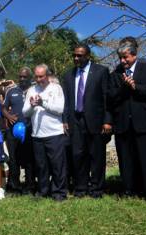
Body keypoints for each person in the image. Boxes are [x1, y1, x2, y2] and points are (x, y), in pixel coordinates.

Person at [108, 40, 146, 202]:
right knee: (126, 161)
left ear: (134, 55)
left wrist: (136, 87)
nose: (122, 61)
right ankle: (129, 191)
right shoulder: (116, 74)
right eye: (120, 58)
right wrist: (123, 88)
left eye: (125, 57)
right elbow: (110, 98)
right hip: (124, 124)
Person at [62, 43, 112, 198]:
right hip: (75, 120)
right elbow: (66, 100)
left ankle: (97, 189)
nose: (76, 58)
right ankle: (81, 188)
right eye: (74, 55)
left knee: (96, 156)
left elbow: (107, 97)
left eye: (80, 55)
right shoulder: (68, 75)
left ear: (88, 56)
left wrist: (107, 120)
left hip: (96, 121)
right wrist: (65, 120)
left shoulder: (101, 71)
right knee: (78, 155)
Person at [23, 64, 68, 201]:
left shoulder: (56, 88)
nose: (38, 79)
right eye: (36, 76)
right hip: (37, 135)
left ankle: (59, 193)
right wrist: (31, 105)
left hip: (54, 133)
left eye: (41, 76)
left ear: (47, 75)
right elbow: (25, 112)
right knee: (41, 166)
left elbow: (59, 109)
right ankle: (43, 192)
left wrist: (43, 103)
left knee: (57, 166)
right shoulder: (31, 90)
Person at [3, 67, 35, 194]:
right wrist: (9, 116)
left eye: (25, 77)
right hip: (13, 131)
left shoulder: (34, 90)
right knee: (13, 159)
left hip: (30, 130)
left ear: (30, 78)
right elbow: (3, 108)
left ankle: (30, 186)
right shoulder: (11, 91)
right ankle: (15, 187)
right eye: (20, 77)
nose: (22, 79)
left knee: (29, 159)